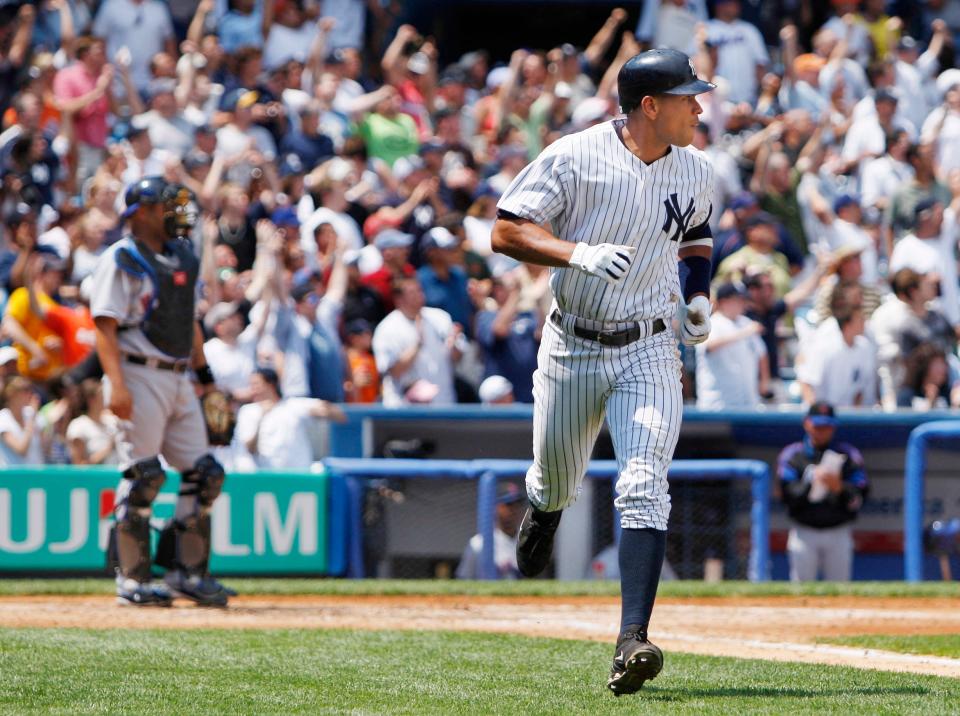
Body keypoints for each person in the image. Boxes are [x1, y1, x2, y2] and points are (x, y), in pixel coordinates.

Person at [491, 49, 716, 695]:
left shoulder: (697, 169)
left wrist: (697, 294)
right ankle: (544, 506)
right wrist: (576, 252)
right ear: (650, 105)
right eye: (687, 97)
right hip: (573, 346)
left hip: (648, 344)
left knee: (644, 481)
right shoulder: (575, 155)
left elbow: (696, 235)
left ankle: (631, 641)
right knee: (557, 478)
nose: (699, 107)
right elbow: (505, 233)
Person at [90, 176, 232, 607]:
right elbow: (104, 325)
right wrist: (116, 383)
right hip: (136, 372)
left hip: (177, 375)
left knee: (205, 473)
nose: (175, 214)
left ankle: (186, 572)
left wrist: (206, 379)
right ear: (142, 213)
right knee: (144, 475)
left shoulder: (181, 256)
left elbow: (187, 322)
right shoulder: (122, 257)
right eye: (166, 206)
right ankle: (131, 578)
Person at [777, 401, 869, 582]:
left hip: (838, 531)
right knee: (801, 591)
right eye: (818, 425)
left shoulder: (848, 454)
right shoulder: (793, 455)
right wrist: (811, 482)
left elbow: (860, 496)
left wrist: (839, 488)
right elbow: (786, 495)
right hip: (804, 531)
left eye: (827, 426)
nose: (822, 431)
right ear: (807, 423)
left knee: (839, 591)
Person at [231, 366, 345, 470]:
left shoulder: (294, 405)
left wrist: (324, 411)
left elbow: (339, 415)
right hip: (265, 476)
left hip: (298, 474)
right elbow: (249, 448)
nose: (252, 389)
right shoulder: (247, 411)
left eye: (256, 384)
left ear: (270, 384)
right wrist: (261, 419)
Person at [695, 282, 767, 409]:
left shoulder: (746, 323)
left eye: (743, 300)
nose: (743, 304)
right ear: (723, 302)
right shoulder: (711, 323)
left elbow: (762, 353)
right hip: (717, 405)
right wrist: (743, 333)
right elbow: (709, 346)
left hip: (748, 402)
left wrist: (765, 380)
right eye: (738, 300)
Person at [455, 482, 525, 579]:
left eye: (517, 505)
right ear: (495, 507)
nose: (513, 510)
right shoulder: (477, 544)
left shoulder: (528, 542)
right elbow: (464, 580)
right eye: (508, 504)